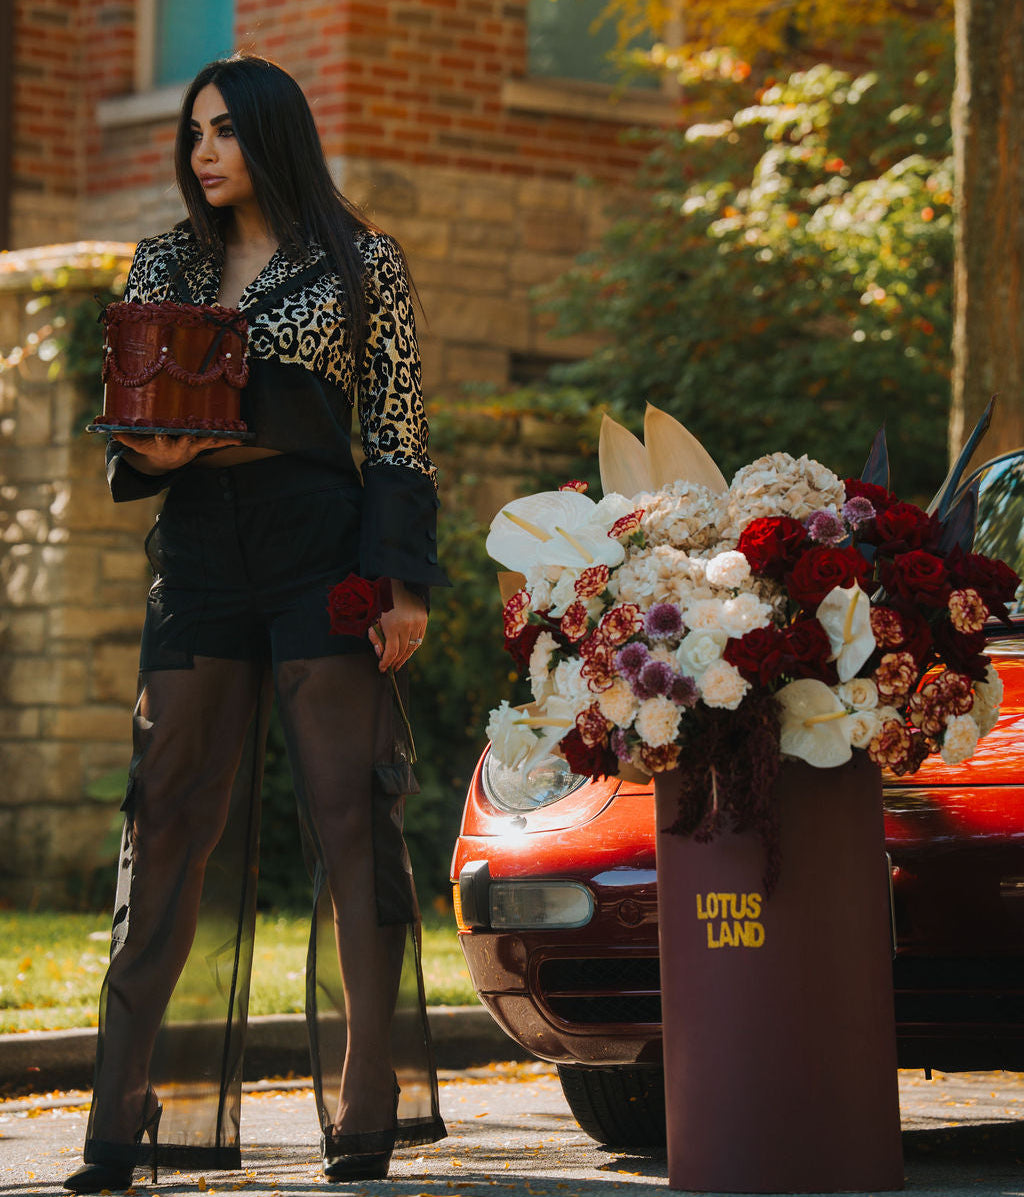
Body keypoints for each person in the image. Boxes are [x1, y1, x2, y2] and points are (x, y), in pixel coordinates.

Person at [65, 53, 448, 1194]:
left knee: (349, 819)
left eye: (225, 131)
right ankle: (118, 1123)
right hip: (197, 552)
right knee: (167, 813)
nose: (203, 152)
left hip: (316, 546)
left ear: (273, 134)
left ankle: (365, 1102)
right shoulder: (165, 259)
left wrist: (404, 583)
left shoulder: (360, 261)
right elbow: (125, 415)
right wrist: (143, 450)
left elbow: (398, 431)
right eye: (192, 134)